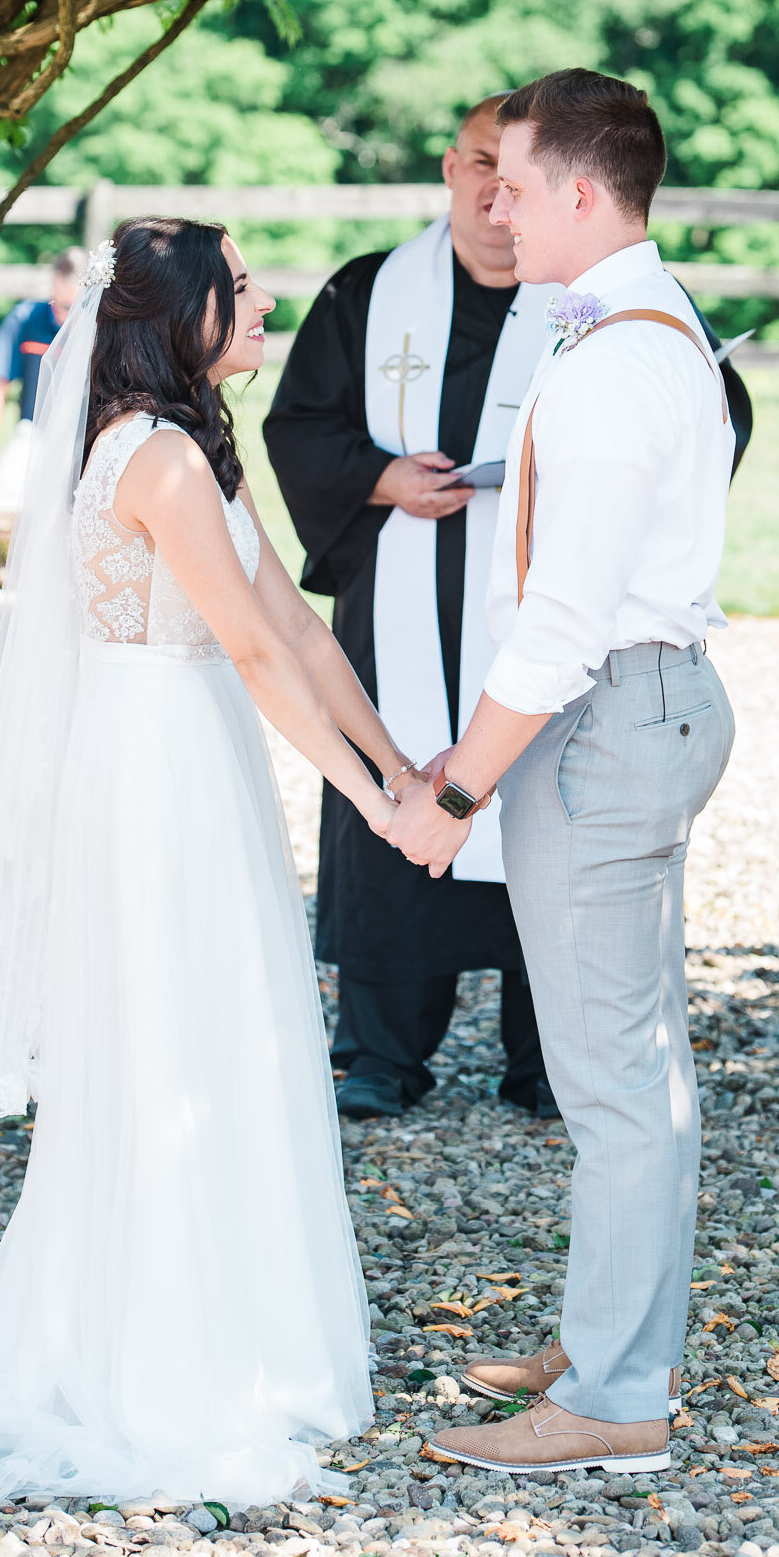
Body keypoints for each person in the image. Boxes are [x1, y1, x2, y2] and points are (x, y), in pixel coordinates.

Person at [0, 218, 423, 1506]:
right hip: (153, 761)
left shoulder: (195, 448)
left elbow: (294, 618)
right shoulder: (156, 458)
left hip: (198, 751)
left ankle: (236, 1319)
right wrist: (367, 802)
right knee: (174, 1034)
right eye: (241, 283)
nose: (267, 294)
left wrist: (399, 767)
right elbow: (246, 648)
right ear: (187, 316)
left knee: (228, 1030)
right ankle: (165, 1353)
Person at [389, 70, 737, 1478]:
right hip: (642, 707)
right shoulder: (647, 326)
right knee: (636, 1069)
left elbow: (558, 627)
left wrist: (452, 793)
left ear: (581, 195)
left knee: (607, 1081)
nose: (492, 206)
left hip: (606, 718)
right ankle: (615, 1339)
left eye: (515, 185)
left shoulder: (608, 362)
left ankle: (610, 1398)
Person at [264, 96, 558, 1122]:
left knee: (545, 812)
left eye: (513, 171)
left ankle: (546, 1055)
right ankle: (381, 1052)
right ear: (447, 166)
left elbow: (697, 416)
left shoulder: (590, 294)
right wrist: (380, 478)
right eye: (477, 164)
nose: (492, 192)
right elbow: (298, 424)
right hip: (396, 604)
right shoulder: (369, 292)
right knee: (391, 793)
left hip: (538, 614)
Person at [0, 247, 87, 500]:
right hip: (33, 432)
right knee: (6, 490)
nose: (60, 315)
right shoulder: (25, 318)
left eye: (70, 307)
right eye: (55, 302)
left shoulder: (102, 330)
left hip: (84, 439)